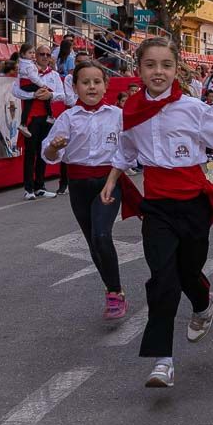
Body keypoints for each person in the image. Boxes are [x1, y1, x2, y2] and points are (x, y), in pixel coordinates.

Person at [101, 37, 213, 388]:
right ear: (138, 69)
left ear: (176, 70)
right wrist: (112, 181)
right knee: (161, 279)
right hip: (155, 206)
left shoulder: (194, 109)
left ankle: (203, 304)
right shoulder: (131, 111)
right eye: (151, 64)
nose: (158, 71)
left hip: (193, 206)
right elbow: (125, 153)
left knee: (188, 272)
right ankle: (162, 360)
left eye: (166, 65)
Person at [42, 59, 139, 319]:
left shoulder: (118, 116)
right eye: (85, 82)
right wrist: (54, 146)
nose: (92, 87)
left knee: (102, 235)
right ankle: (111, 289)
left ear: (106, 85)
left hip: (109, 182)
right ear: (75, 87)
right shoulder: (68, 117)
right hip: (79, 185)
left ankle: (115, 293)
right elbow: (49, 152)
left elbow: (130, 150)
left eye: (97, 82)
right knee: (92, 242)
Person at [13, 44, 64, 199]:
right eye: (41, 54)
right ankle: (28, 188)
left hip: (46, 118)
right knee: (30, 153)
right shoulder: (28, 70)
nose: (44, 57)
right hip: (31, 118)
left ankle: (40, 185)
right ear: (35, 55)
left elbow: (62, 95)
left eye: (47, 55)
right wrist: (33, 95)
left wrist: (50, 96)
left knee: (43, 150)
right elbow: (15, 91)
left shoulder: (53, 75)